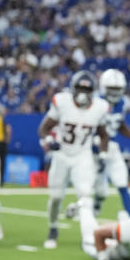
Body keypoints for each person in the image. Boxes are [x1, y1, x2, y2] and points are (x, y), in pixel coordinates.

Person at [38, 70, 110, 249]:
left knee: (86, 195)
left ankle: (89, 237)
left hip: (82, 155)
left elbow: (104, 136)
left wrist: (102, 155)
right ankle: (53, 228)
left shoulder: (100, 107)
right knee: (55, 197)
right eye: (79, 89)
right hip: (61, 153)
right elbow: (43, 128)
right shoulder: (62, 102)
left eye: (87, 90)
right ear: (72, 89)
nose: (83, 94)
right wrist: (48, 141)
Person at [92, 69, 130, 217]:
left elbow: (120, 125)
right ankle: (96, 203)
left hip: (112, 148)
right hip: (94, 150)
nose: (114, 93)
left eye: (117, 89)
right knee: (101, 190)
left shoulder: (121, 103)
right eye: (111, 89)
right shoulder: (95, 102)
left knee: (122, 182)